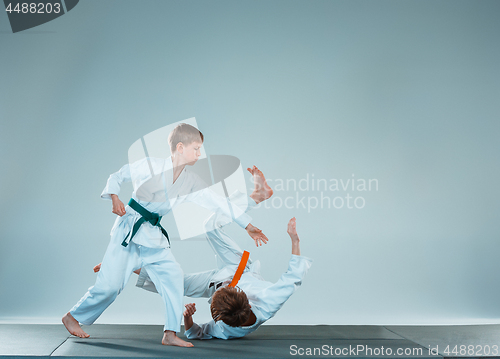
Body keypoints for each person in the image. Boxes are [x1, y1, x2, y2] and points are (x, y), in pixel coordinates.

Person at [62, 123, 271, 347]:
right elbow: (119, 175)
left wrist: (247, 225)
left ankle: (170, 333)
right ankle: (72, 317)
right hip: (130, 228)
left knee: (172, 278)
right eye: (196, 148)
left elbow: (217, 202)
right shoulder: (151, 166)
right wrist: (114, 196)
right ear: (180, 147)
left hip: (153, 233)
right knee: (111, 287)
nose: (200, 154)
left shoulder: (190, 181)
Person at [131, 186, 312, 340]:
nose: (227, 285)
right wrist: (294, 240)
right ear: (249, 303)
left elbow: (196, 333)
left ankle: (129, 265)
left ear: (220, 317)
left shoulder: (225, 328)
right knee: (210, 226)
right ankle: (258, 196)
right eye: (231, 288)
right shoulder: (269, 301)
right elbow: (293, 278)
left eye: (224, 288)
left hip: (213, 283)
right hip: (241, 270)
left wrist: (188, 319)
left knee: (177, 284)